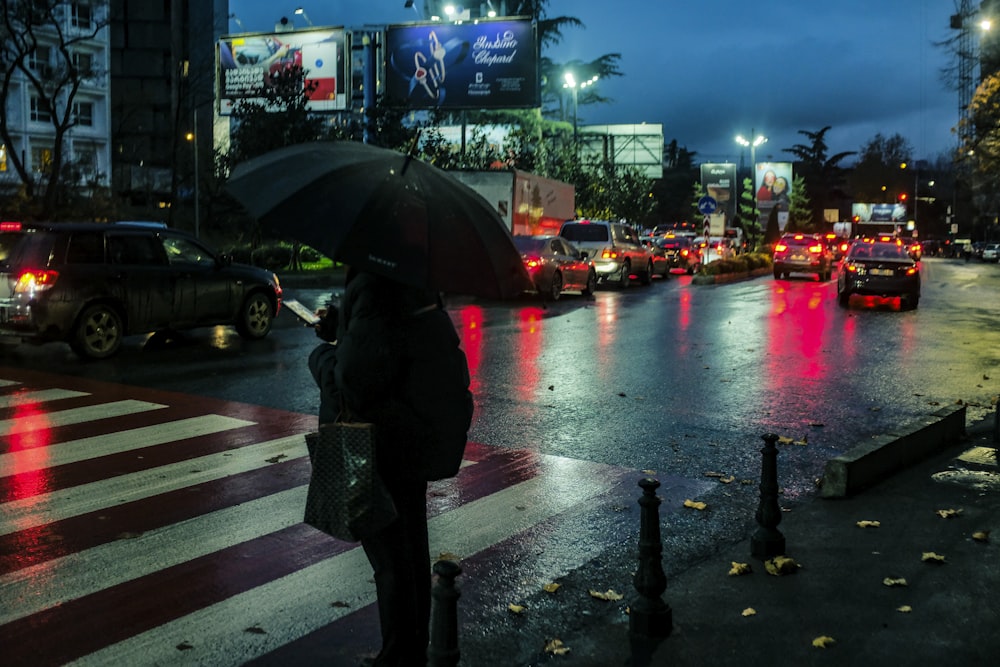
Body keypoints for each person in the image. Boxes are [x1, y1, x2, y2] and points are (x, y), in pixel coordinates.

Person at [309, 268, 471, 667]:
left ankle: (400, 655)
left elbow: (353, 381)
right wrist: (342, 322)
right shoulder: (411, 277)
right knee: (410, 545)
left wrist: (322, 355)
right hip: (412, 432)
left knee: (390, 557)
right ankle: (411, 648)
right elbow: (386, 344)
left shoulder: (375, 283)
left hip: (385, 442)